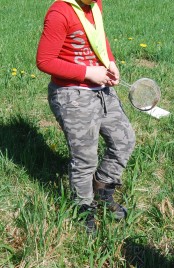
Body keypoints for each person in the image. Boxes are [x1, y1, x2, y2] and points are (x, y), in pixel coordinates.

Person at [36, 0, 135, 234]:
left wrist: (110, 62)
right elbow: (44, 60)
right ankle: (83, 206)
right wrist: (88, 72)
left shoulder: (94, 4)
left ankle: (102, 191)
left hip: (100, 88)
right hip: (72, 94)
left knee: (124, 140)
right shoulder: (60, 12)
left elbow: (99, 37)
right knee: (85, 158)